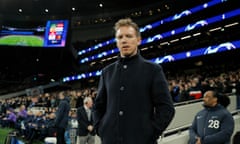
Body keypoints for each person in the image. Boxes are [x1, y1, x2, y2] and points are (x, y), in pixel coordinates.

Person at [92, 18, 175, 144]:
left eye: (129, 36)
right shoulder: (106, 72)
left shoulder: (153, 70)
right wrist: (101, 128)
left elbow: (166, 108)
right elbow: (98, 106)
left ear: (138, 40)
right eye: (120, 37)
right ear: (116, 42)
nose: (124, 40)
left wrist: (151, 132)